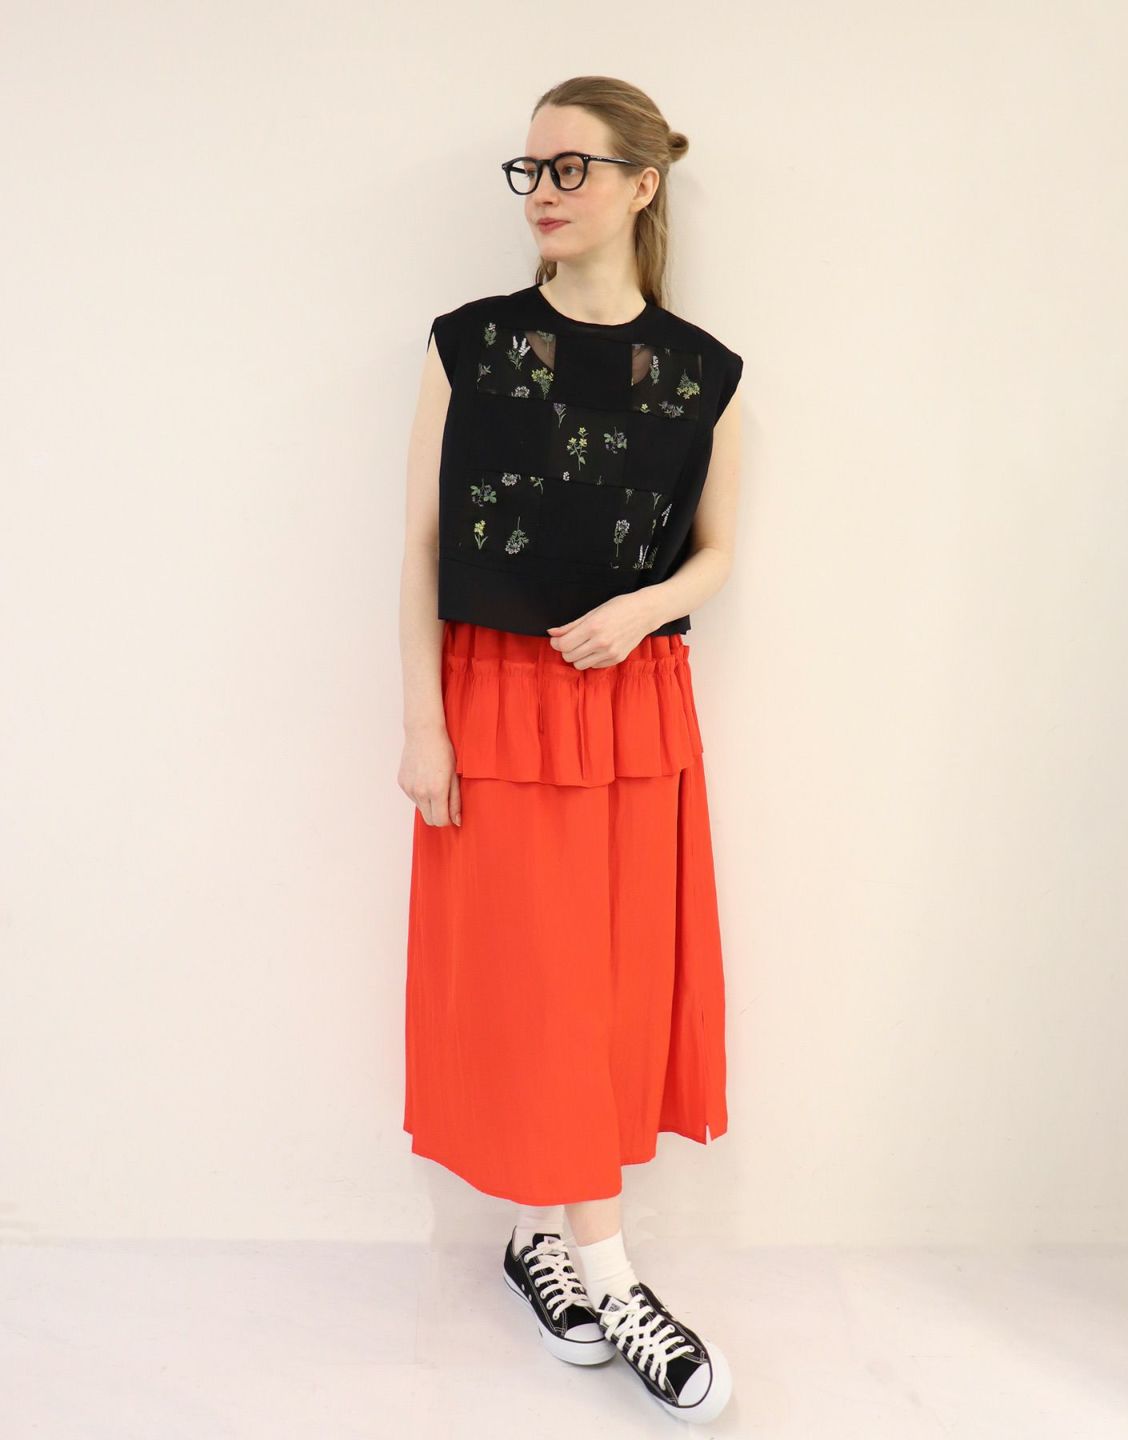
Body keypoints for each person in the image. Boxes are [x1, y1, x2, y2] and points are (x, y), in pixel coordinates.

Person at [397, 75, 743, 1425]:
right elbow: (421, 547)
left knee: (610, 989)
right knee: (535, 984)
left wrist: (644, 608)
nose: (542, 192)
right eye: (529, 170)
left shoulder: (702, 373)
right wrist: (423, 723)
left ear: (642, 184)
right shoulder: (470, 345)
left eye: (571, 168)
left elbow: (717, 554)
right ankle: (610, 1271)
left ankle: (540, 1238)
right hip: (496, 699)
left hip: (635, 703)